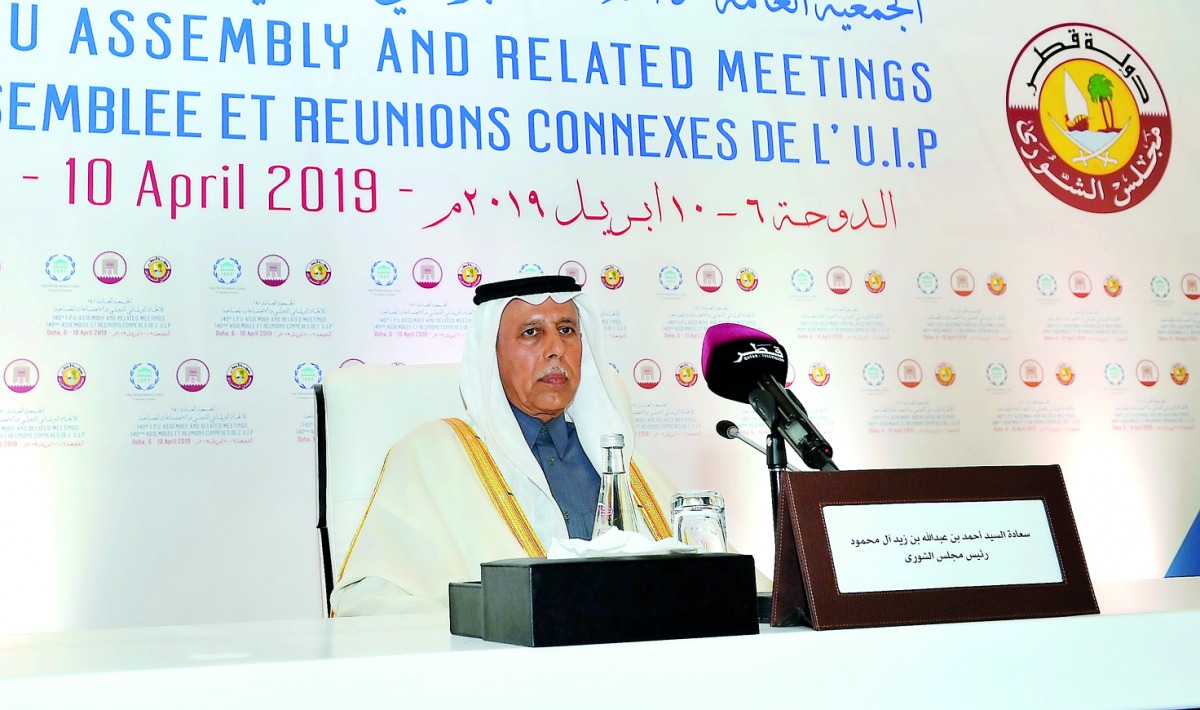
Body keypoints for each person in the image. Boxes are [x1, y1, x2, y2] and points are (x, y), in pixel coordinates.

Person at [331, 275, 682, 616]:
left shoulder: (621, 464)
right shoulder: (432, 454)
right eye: (532, 333)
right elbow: (368, 600)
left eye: (566, 330)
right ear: (491, 354)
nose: (556, 349)